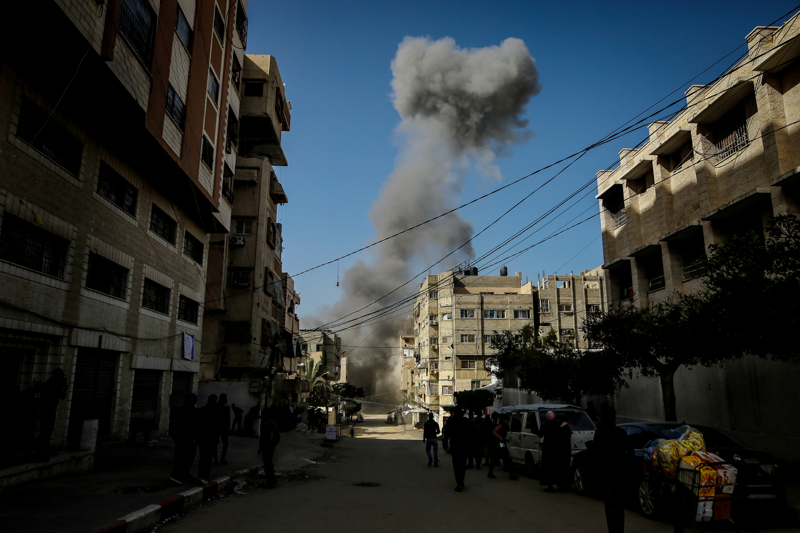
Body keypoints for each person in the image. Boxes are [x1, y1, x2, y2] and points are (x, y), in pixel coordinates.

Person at [592, 405, 631, 533]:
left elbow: (596, 453)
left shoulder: (600, 433)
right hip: (619, 471)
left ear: (602, 418)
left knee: (609, 502)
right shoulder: (621, 432)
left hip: (606, 471)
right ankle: (620, 529)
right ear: (614, 418)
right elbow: (630, 451)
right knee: (619, 503)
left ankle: (612, 529)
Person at [35, 368, 67, 458]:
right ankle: (39, 448)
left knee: (45, 430)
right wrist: (64, 388)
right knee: (46, 430)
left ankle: (44, 449)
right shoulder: (54, 384)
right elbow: (62, 396)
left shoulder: (49, 383)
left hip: (46, 410)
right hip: (48, 410)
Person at [170, 393, 199, 484]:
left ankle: (181, 474)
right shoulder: (191, 411)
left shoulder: (181, 410)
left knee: (181, 457)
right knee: (186, 458)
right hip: (187, 438)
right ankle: (181, 474)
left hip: (182, 438)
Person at [442, 407, 472, 492]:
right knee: (462, 465)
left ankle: (459, 483)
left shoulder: (451, 421)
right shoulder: (466, 421)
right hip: (464, 447)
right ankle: (461, 482)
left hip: (455, 446)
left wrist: (445, 444)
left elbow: (446, 434)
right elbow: (471, 434)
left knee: (456, 466)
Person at [487, 415, 518, 480]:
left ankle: (511, 474)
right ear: (504, 420)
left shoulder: (505, 426)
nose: (507, 421)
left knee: (507, 458)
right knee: (496, 458)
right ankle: (490, 473)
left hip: (501, 443)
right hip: (499, 443)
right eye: (506, 420)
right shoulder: (501, 425)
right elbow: (494, 431)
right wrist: (499, 437)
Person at [197, 395, 219, 483]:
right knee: (208, 458)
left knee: (203, 457)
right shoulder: (216, 411)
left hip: (203, 438)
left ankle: (201, 476)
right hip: (211, 438)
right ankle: (205, 476)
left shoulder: (202, 410)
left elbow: (198, 424)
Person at [538, 411, 561, 492]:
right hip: (556, 448)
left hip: (548, 448)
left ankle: (549, 484)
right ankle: (557, 483)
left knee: (547, 466)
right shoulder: (557, 425)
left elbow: (540, 434)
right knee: (555, 466)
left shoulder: (545, 425)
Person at [258, 409, 280, 486]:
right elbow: (277, 436)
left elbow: (263, 438)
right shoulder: (273, 424)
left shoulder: (265, 425)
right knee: (269, 463)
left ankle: (270, 481)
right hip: (270, 446)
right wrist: (273, 444)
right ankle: (272, 479)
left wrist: (261, 447)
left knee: (267, 464)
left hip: (267, 446)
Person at [214, 393, 231, 465]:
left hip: (217, 427)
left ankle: (216, 459)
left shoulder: (216, 406)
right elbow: (228, 419)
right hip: (224, 428)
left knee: (215, 444)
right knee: (225, 443)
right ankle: (222, 458)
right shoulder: (226, 407)